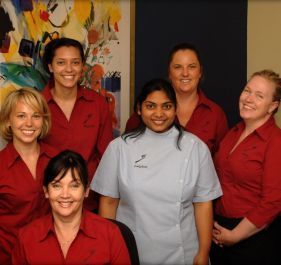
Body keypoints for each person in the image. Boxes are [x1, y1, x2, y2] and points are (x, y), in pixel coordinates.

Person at [91, 78, 222, 265]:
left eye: (167, 106)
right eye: (150, 106)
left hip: (183, 253)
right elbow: (109, 202)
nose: (159, 113)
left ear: (175, 109)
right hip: (131, 251)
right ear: (139, 108)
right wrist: (107, 249)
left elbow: (203, 205)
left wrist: (203, 252)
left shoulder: (195, 147)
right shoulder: (119, 148)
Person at [210, 70, 281, 265]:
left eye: (259, 96)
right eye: (247, 90)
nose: (248, 99)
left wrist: (234, 235)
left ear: (272, 106)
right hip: (220, 231)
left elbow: (273, 202)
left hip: (253, 239)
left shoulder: (276, 142)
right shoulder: (233, 132)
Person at [12, 150, 131, 265]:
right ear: (46, 191)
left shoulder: (110, 234)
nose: (65, 195)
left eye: (74, 186)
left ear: (86, 191)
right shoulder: (26, 237)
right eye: (57, 186)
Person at [41, 37, 113, 210]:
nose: (68, 69)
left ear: (82, 67)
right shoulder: (37, 104)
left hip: (89, 202)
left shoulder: (98, 104)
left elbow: (107, 157)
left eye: (75, 62)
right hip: (45, 202)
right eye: (60, 62)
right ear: (50, 67)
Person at [125, 42, 228, 155]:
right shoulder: (148, 110)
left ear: (200, 72)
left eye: (192, 67)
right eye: (178, 67)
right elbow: (127, 151)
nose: (185, 73)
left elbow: (220, 164)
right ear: (169, 72)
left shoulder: (215, 114)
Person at [0, 87, 57, 265]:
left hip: (53, 255)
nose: (29, 123)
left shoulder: (59, 160)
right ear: (8, 120)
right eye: (21, 116)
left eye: (36, 116)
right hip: (9, 257)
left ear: (43, 121)